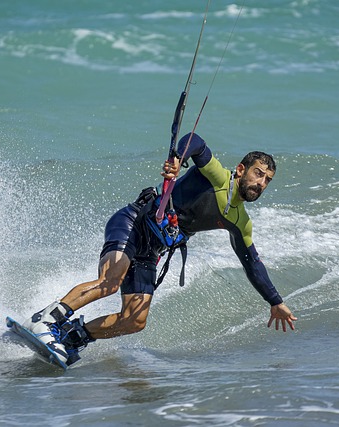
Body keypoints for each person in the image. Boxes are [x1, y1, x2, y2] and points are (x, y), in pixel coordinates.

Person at [22, 132, 298, 366]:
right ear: (241, 170)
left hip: (152, 250)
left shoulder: (240, 221)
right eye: (257, 174)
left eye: (267, 180)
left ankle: (72, 338)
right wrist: (179, 159)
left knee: (135, 320)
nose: (261, 183)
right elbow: (195, 141)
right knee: (110, 281)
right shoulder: (217, 177)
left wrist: (275, 301)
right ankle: (46, 320)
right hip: (134, 222)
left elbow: (252, 263)